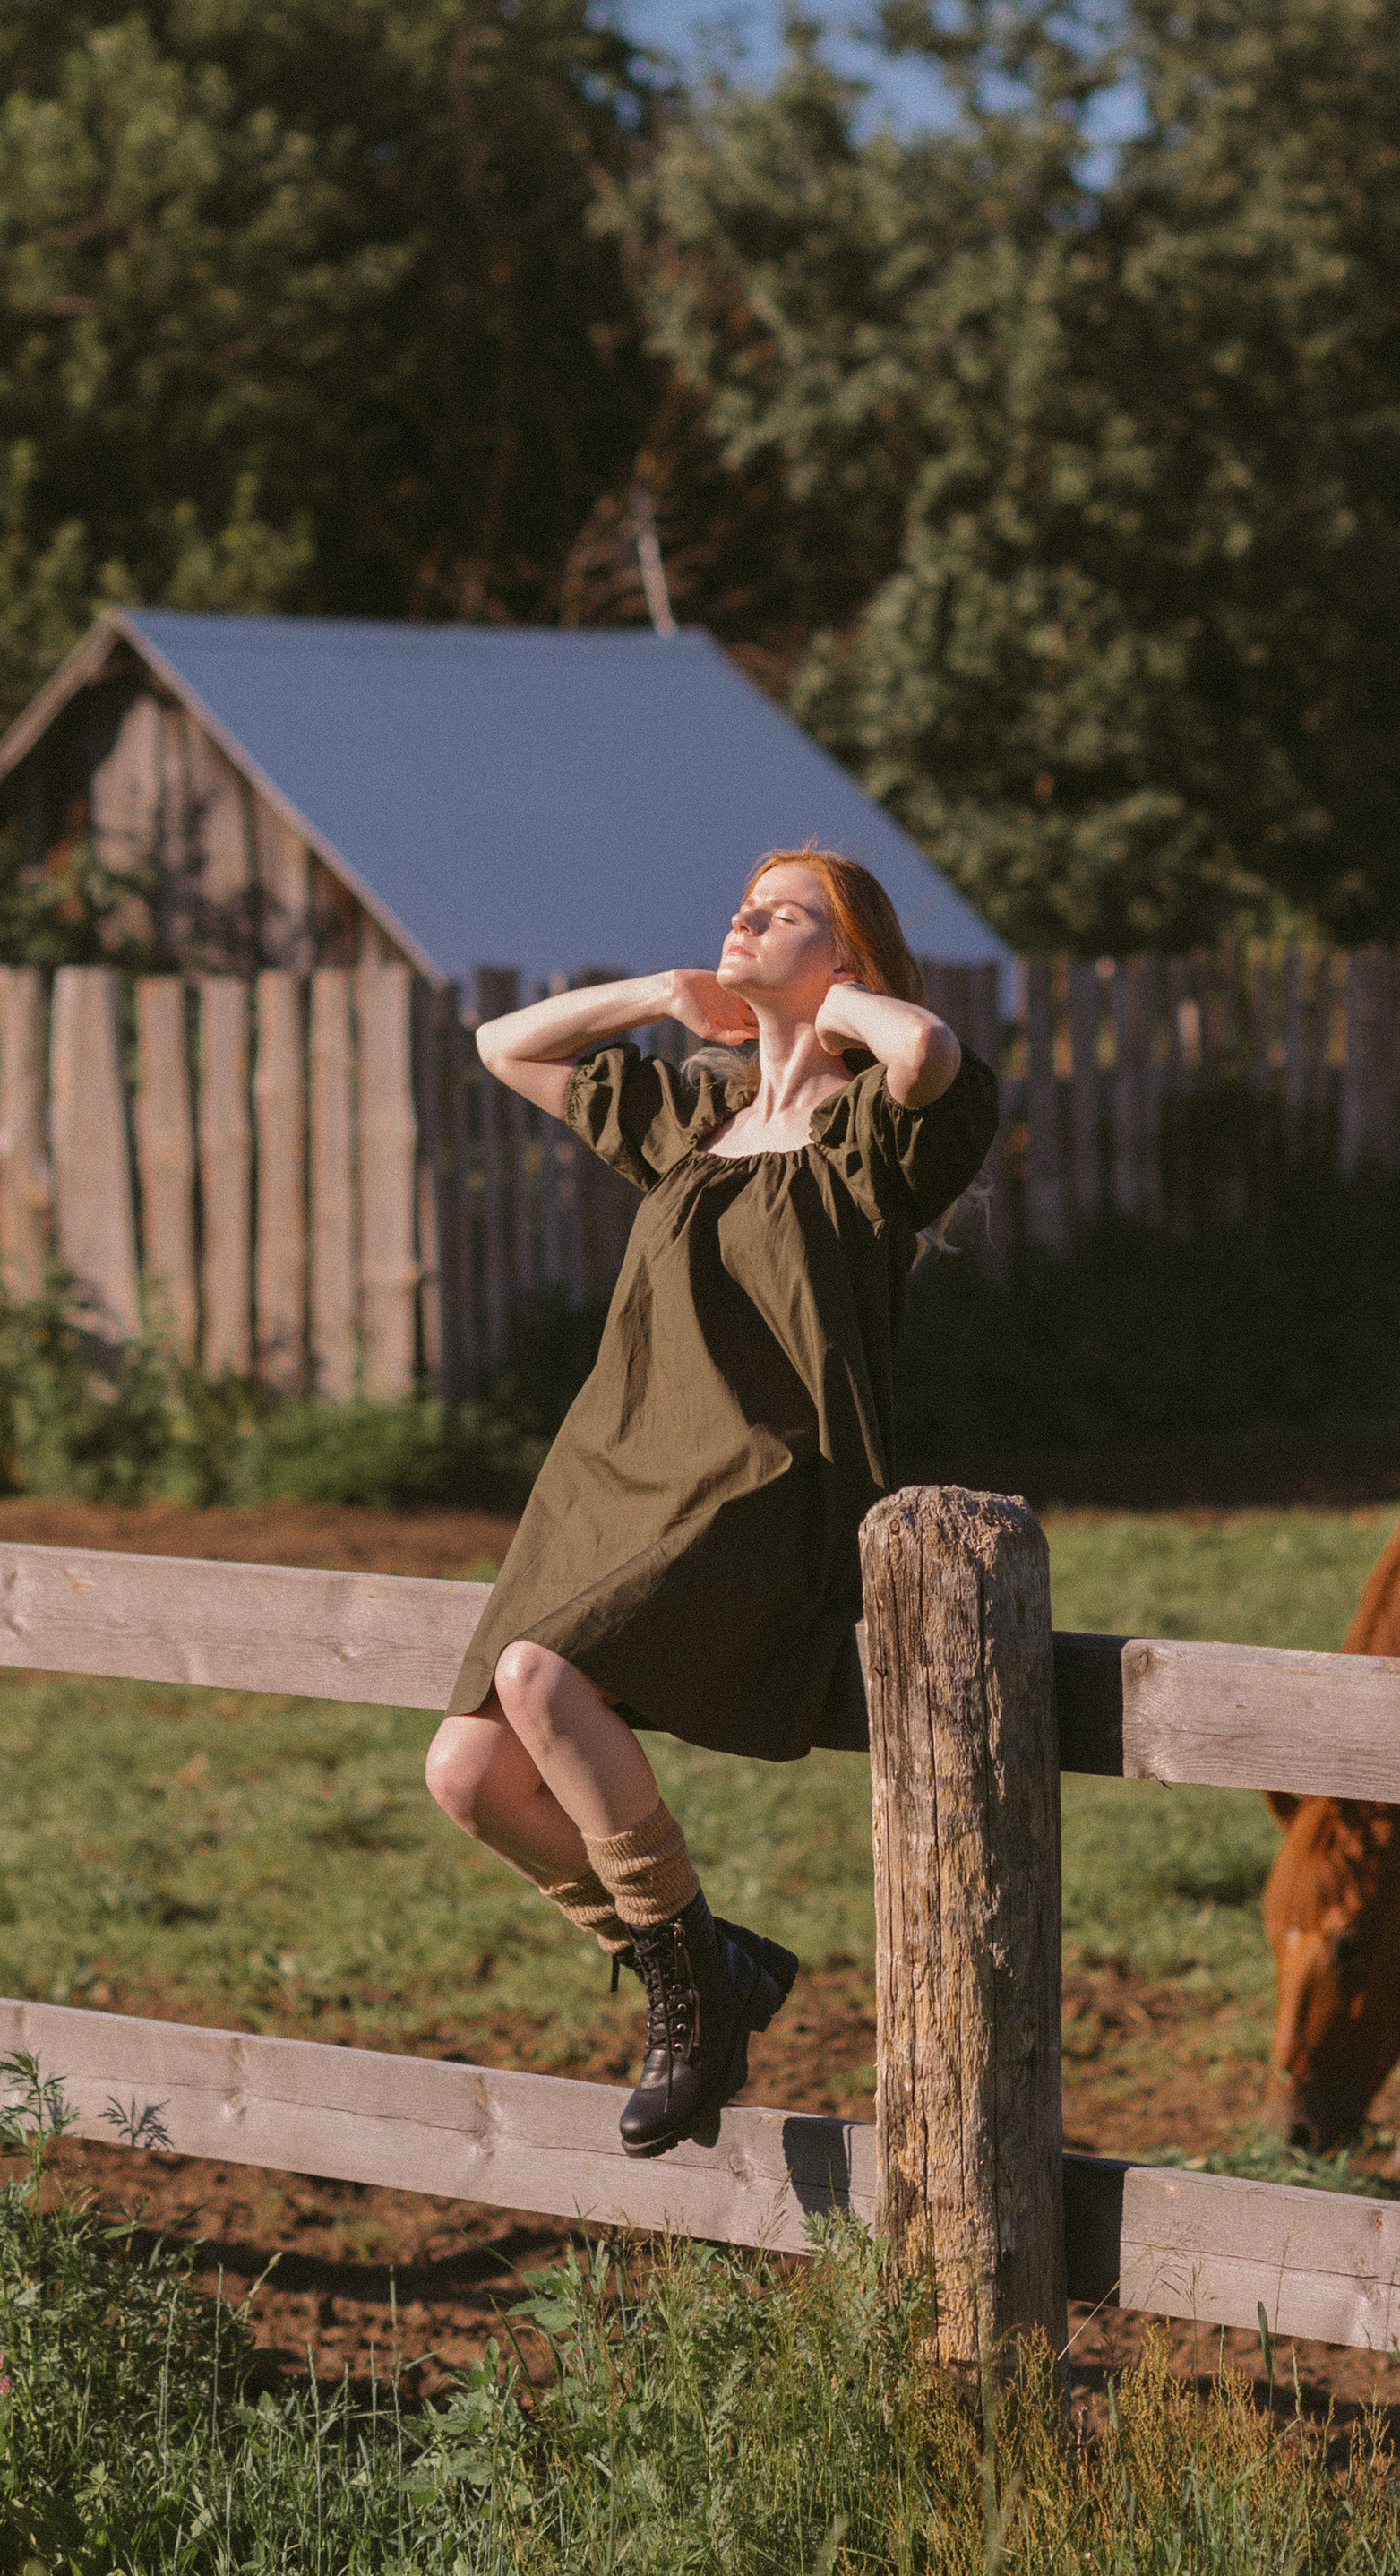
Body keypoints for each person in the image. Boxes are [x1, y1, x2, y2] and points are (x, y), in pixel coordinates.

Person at [425, 846, 1001, 2157]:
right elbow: (500, 1043)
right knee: (466, 1771)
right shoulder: (695, 1116)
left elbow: (926, 1049)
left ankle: (691, 2001)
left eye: (781, 909)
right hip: (611, 1477)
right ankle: (706, 1957)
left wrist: (825, 1008)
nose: (742, 913)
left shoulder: (870, 1134)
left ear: (844, 956)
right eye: (743, 899)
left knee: (538, 1675)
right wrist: (666, 990)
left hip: (765, 1484)